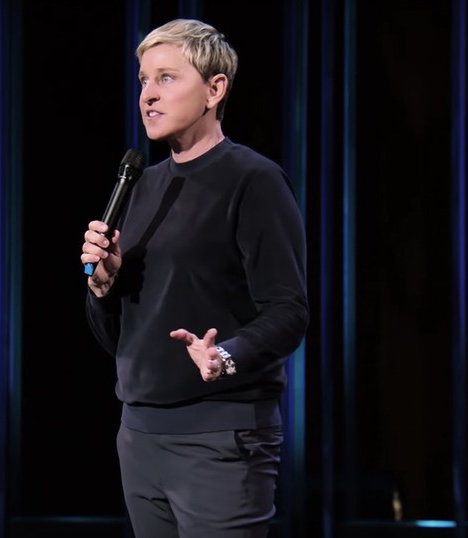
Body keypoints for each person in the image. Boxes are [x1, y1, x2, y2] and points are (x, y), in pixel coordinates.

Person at [80, 18, 309, 538]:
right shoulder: (141, 185)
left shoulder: (253, 179)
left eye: (166, 78)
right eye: (143, 80)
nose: (148, 95)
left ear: (214, 89)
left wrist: (225, 354)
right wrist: (103, 288)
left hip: (220, 435)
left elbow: (289, 310)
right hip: (139, 434)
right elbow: (121, 337)